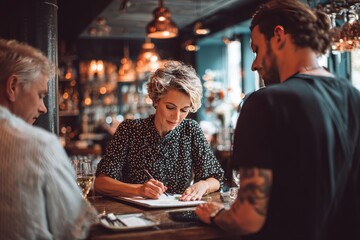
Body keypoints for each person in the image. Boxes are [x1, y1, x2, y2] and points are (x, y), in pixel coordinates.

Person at [195, 1, 360, 240]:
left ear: (279, 35)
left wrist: (213, 215)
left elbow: (247, 219)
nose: (254, 65)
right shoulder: (354, 98)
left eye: (256, 50)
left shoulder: (266, 102)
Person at [0, 39, 97, 239]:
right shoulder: (38, 146)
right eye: (40, 95)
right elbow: (75, 229)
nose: (43, 108)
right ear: (13, 86)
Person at [94, 61, 224, 201]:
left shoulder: (190, 130)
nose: (176, 117)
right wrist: (139, 189)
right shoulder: (129, 130)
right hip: (135, 216)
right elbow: (100, 183)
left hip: (179, 215)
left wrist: (203, 185)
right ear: (156, 100)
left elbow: (216, 178)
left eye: (184, 110)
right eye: (170, 107)